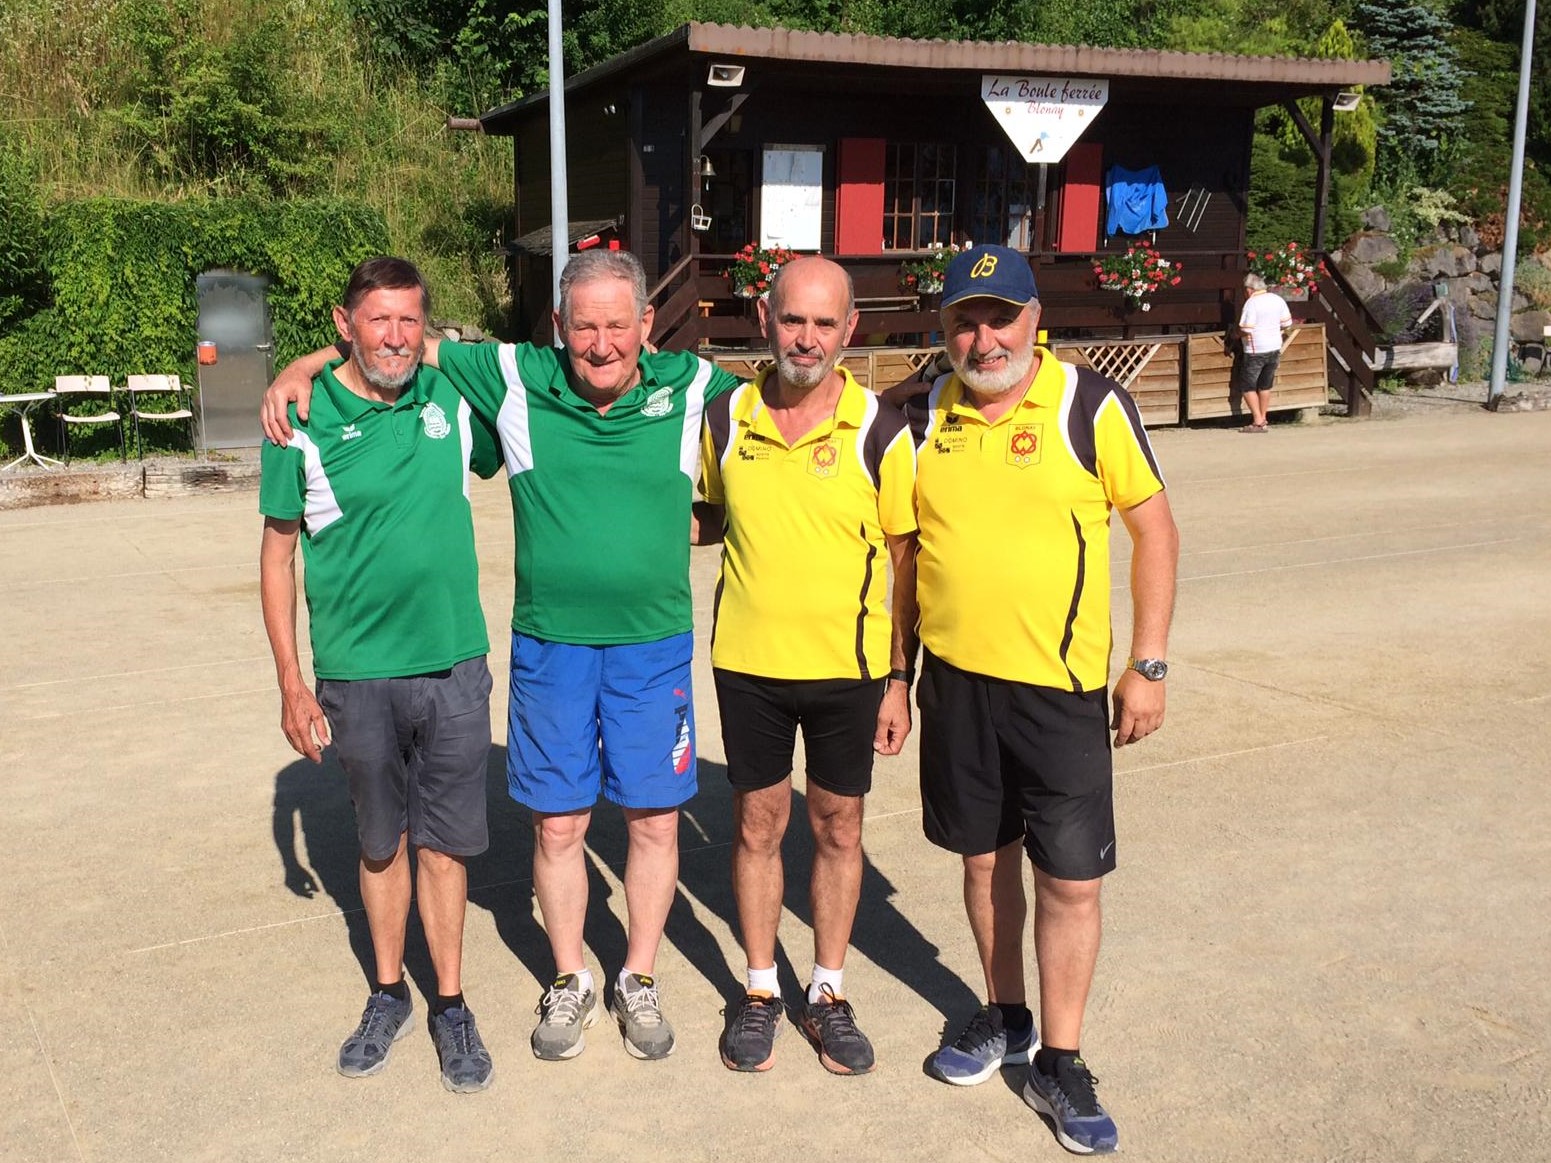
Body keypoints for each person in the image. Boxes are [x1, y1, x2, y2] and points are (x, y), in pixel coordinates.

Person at [261, 249, 743, 1063]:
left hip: (653, 645)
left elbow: (789, 406)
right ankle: (569, 976)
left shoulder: (694, 384)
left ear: (645, 324)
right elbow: (398, 342)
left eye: (616, 325)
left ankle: (638, 976)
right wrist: (302, 366)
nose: (600, 344)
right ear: (558, 325)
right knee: (558, 824)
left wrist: (709, 521)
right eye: (583, 326)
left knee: (655, 820)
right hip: (550, 642)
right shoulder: (516, 375)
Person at [904, 244, 1179, 1154]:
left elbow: (1153, 530)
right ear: (943, 328)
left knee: (1067, 878)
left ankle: (1059, 1059)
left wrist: (1148, 663)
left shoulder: (1088, 404)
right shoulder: (921, 412)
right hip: (954, 684)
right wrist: (895, 675)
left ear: (1034, 320)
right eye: (964, 320)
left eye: (1000, 317)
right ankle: (1005, 1014)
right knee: (984, 863)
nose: (983, 338)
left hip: (1058, 692)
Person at [258, 257, 501, 1093]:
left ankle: (450, 1003)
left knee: (445, 844)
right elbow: (278, 555)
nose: (394, 336)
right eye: (377, 319)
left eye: (409, 320)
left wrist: (313, 356)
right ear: (344, 323)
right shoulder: (299, 418)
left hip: (454, 665)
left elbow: (530, 384)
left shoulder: (451, 398)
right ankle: (389, 992)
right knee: (380, 842)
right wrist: (291, 681)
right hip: (356, 675)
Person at [696, 257, 917, 1075]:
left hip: (847, 670)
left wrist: (899, 679)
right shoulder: (726, 417)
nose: (806, 338)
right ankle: (759, 989)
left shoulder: (880, 427)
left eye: (824, 323)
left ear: (849, 329)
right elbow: (706, 517)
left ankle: (825, 991)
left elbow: (904, 560)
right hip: (747, 663)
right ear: (765, 319)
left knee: (837, 826)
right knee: (757, 826)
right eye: (792, 319)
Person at [1236, 272, 1293, 432]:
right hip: (1274, 347)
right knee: (1265, 385)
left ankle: (1258, 420)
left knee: (1247, 386)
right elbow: (1287, 324)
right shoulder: (1277, 299)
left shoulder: (1251, 303)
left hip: (1256, 349)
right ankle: (1263, 419)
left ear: (1249, 289)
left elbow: (1246, 329)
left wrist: (1236, 334)